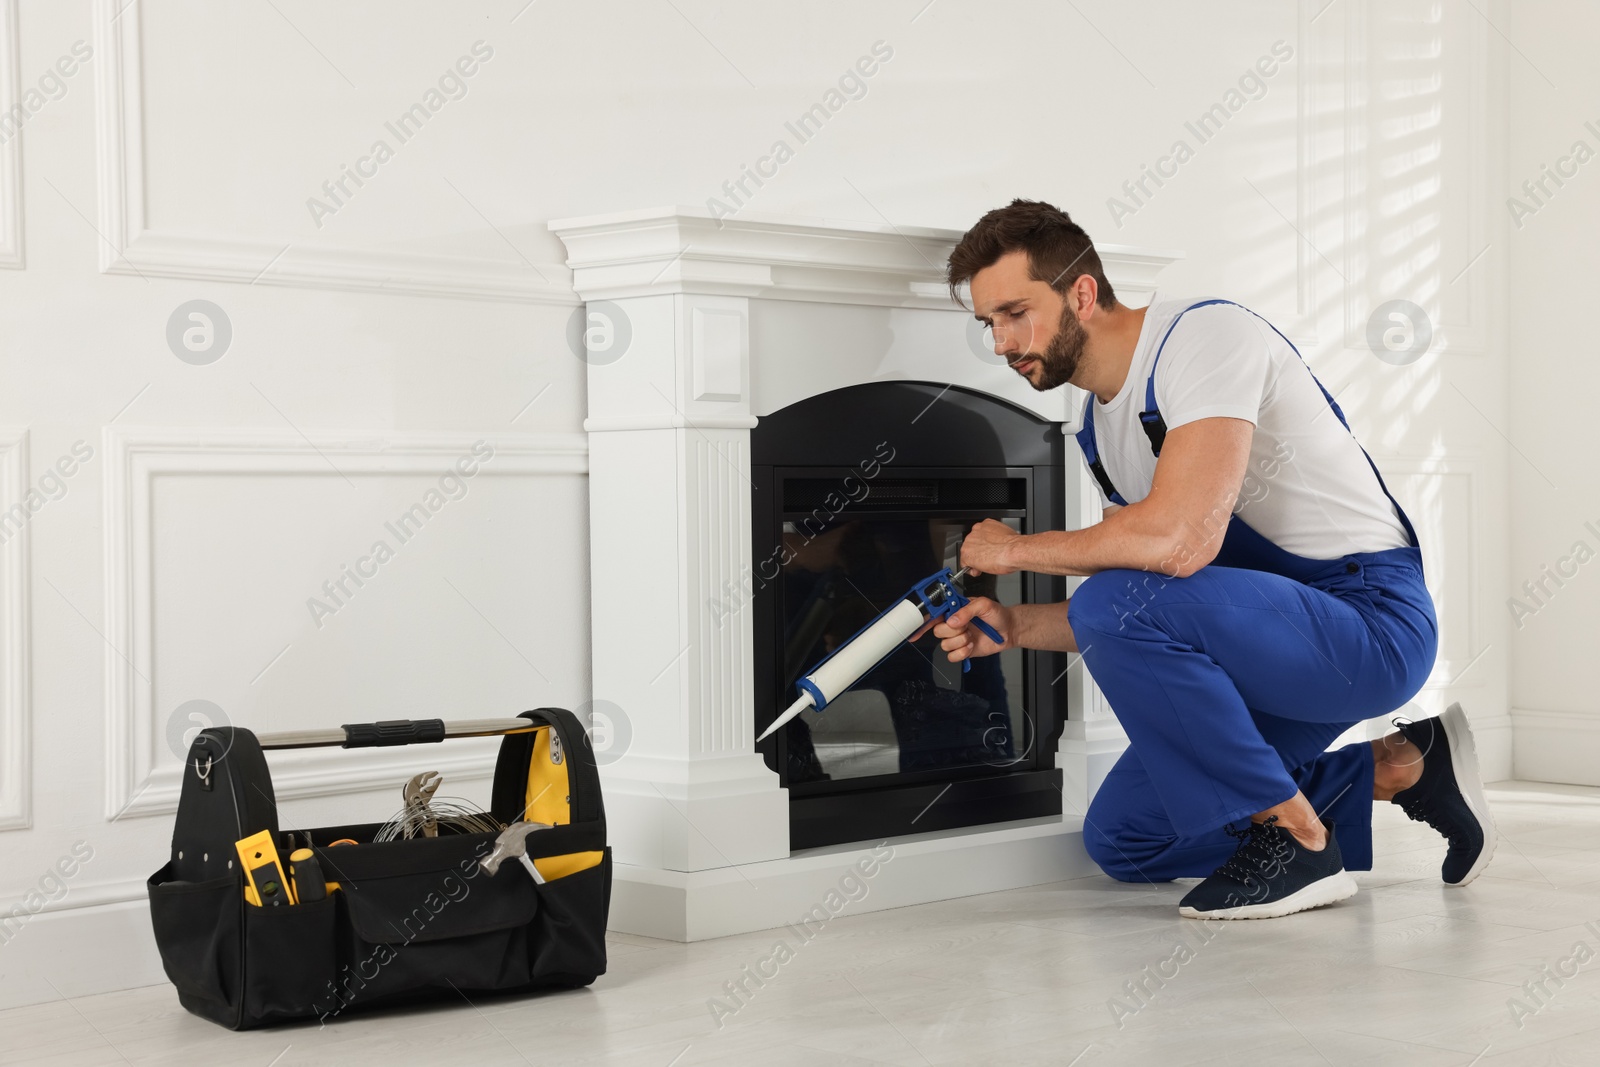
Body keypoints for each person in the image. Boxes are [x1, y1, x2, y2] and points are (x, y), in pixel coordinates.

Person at [934, 199, 1496, 919]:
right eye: (990, 324)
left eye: (1016, 311)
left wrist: (1013, 549)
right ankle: (1405, 766)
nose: (1004, 342)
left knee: (1117, 596)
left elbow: (1179, 544)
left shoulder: (1203, 337)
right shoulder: (1097, 428)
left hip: (1369, 624)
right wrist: (1012, 623)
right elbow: (1152, 604)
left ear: (1081, 291)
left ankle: (1300, 842)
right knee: (1127, 838)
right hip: (1266, 647)